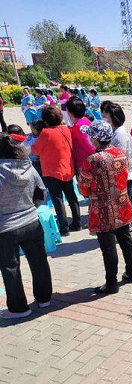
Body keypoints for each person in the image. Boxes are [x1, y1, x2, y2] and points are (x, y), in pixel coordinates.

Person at [78, 120, 132, 294]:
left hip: (102, 209)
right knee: (125, 240)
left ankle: (111, 284)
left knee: (108, 247)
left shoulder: (92, 160)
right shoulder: (120, 153)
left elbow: (83, 187)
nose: (89, 138)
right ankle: (130, 273)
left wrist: (90, 192)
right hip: (122, 202)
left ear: (96, 139)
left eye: (91, 136)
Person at [0, 133, 52, 319]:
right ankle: (44, 298)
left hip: (5, 228)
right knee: (39, 261)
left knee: (10, 268)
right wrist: (31, 208)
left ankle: (19, 308)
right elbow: (42, 192)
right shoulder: (28, 166)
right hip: (31, 222)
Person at [31, 106, 81, 236]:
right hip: (67, 168)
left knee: (58, 199)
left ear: (45, 121)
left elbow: (35, 150)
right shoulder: (65, 129)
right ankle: (77, 223)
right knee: (71, 197)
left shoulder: (46, 133)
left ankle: (64, 228)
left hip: (52, 171)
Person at [101, 102, 132, 234]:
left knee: (126, 201)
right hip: (124, 172)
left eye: (106, 115)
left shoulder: (120, 134)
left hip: (124, 173)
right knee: (130, 198)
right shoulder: (116, 131)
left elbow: (120, 157)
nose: (104, 117)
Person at [67, 97, 94, 173]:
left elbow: (89, 146)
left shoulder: (79, 126)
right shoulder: (85, 120)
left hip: (84, 164)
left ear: (71, 113)